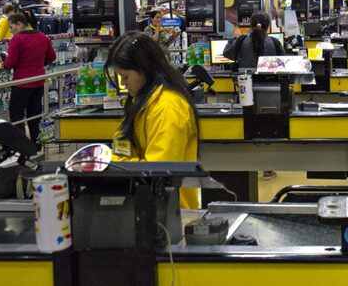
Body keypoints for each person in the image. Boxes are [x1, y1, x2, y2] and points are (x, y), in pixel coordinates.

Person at [105, 32, 200, 209]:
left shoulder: (168, 108)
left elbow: (157, 171)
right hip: (144, 205)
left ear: (145, 68)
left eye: (126, 77)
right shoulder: (140, 100)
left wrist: (113, 164)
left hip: (171, 213)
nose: (123, 84)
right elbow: (122, 146)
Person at [222, 12, 283, 181]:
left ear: (250, 25)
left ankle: (246, 164)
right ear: (268, 26)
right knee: (268, 128)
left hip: (245, 90)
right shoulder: (275, 43)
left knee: (245, 125)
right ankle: (267, 169)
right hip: (270, 93)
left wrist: (234, 38)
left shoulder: (242, 41)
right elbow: (284, 63)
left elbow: (227, 54)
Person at [3, 12, 56, 144]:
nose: (10, 30)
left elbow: (10, 63)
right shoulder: (42, 36)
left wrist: (3, 62)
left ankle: (21, 146)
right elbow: (52, 57)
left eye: (11, 27)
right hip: (38, 81)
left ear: (19, 24)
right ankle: (36, 145)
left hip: (22, 83)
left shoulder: (17, 39)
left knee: (17, 116)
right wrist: (38, 64)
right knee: (35, 115)